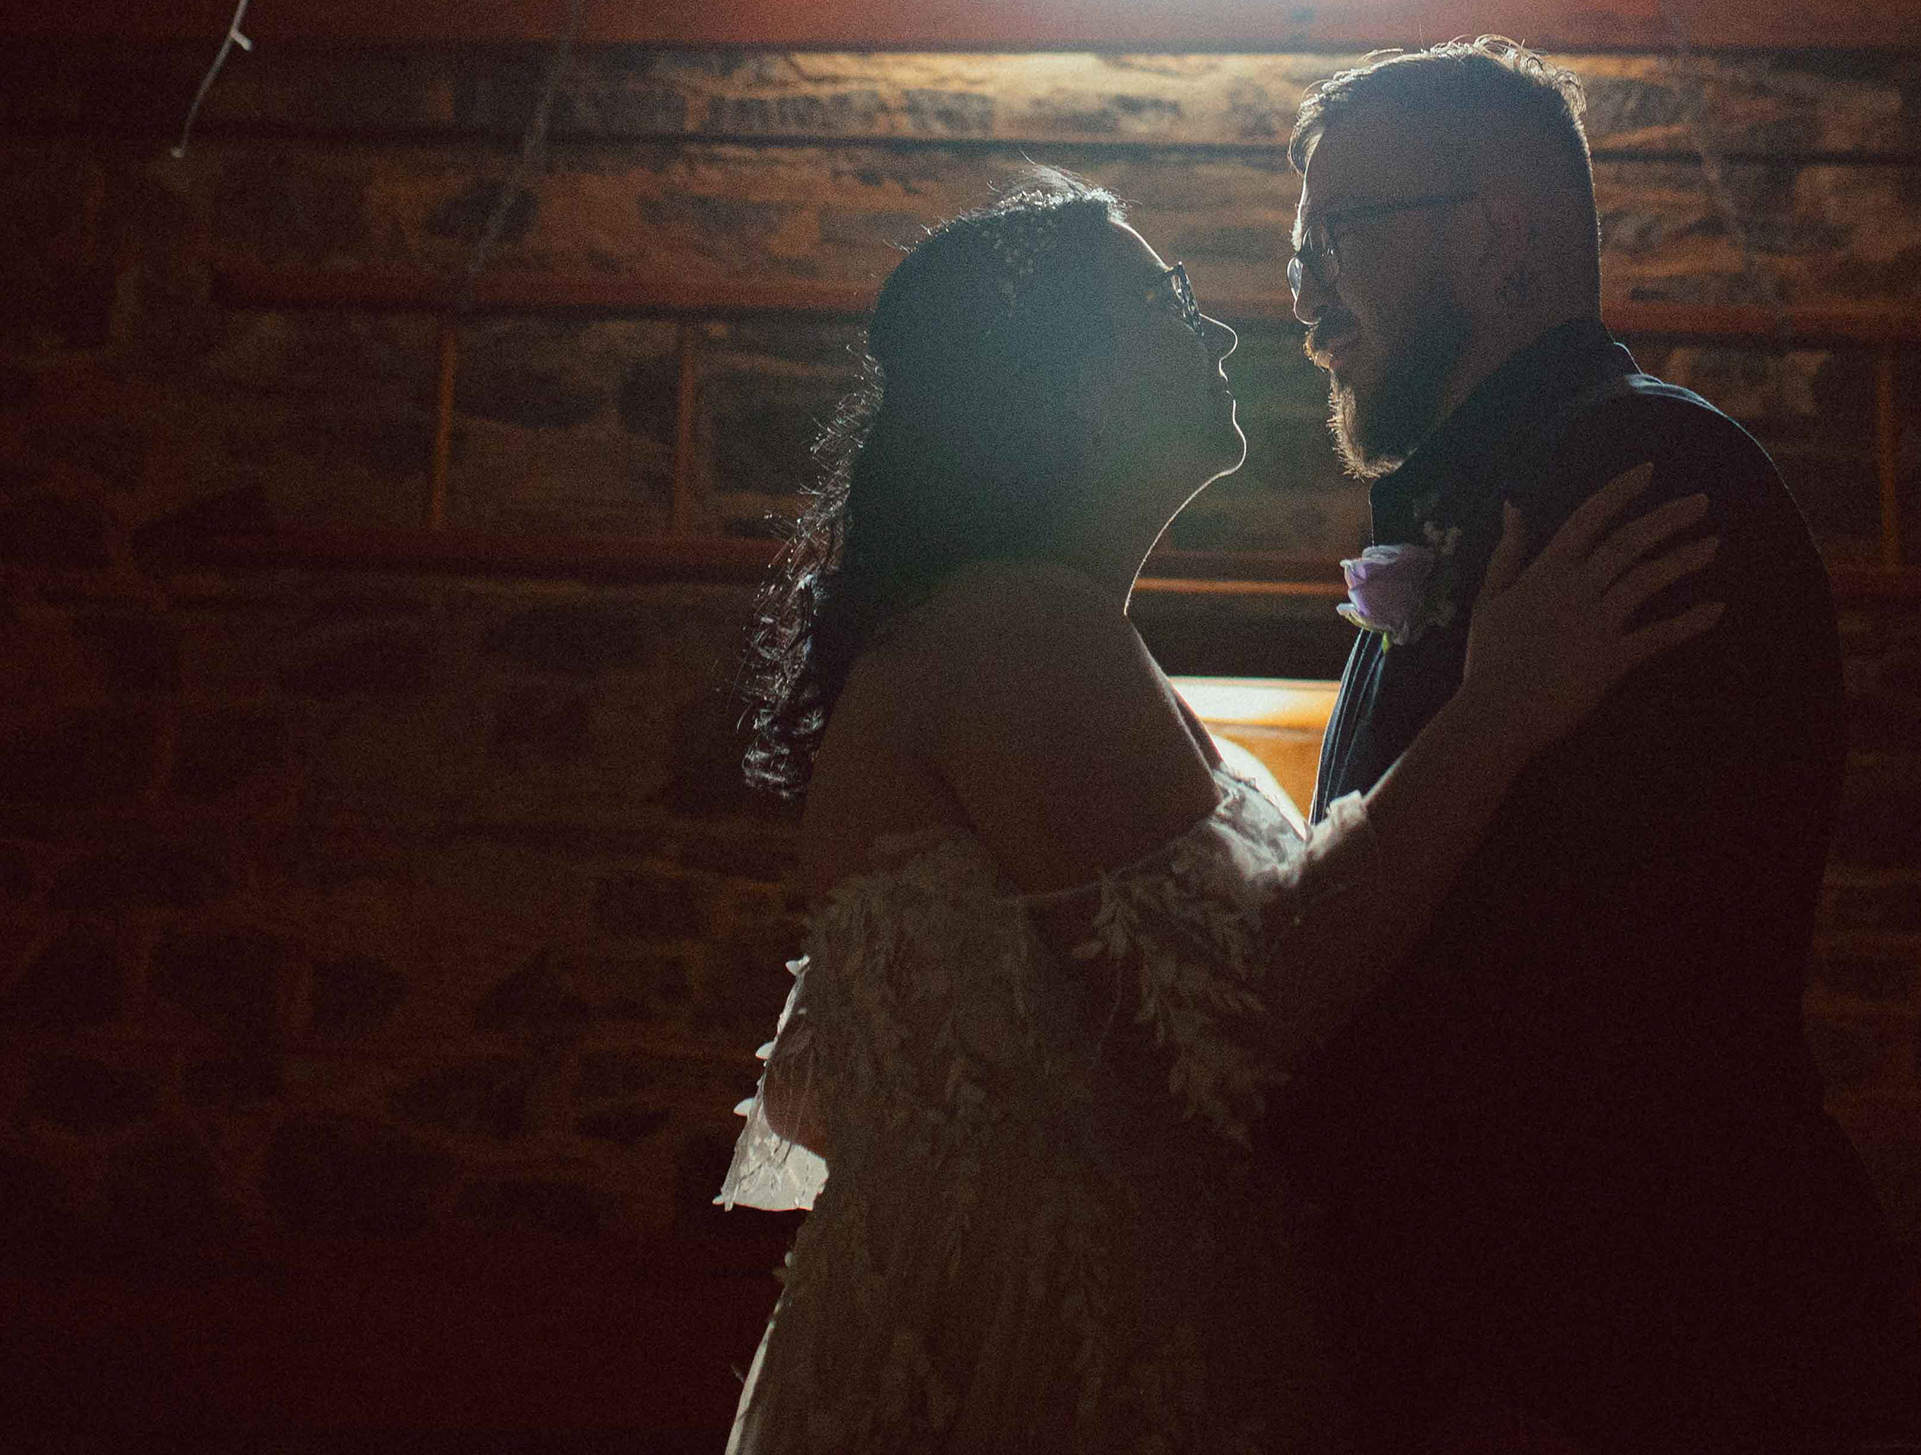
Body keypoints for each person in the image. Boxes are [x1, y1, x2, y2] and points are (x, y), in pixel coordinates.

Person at [716, 170, 1724, 1454]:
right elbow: (1257, 1003)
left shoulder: (1044, 630)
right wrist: (1505, 706)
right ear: (1067, 375)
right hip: (1037, 1364)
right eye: (1166, 299)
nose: (1223, 328)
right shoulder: (1011, 625)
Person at [1272, 39, 1921, 1452]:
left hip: (1631, 1355)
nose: (1300, 288)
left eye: (1337, 232)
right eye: (1296, 244)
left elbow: (1586, 984)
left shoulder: (1638, 475)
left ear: (1498, 234)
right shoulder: (1485, 485)